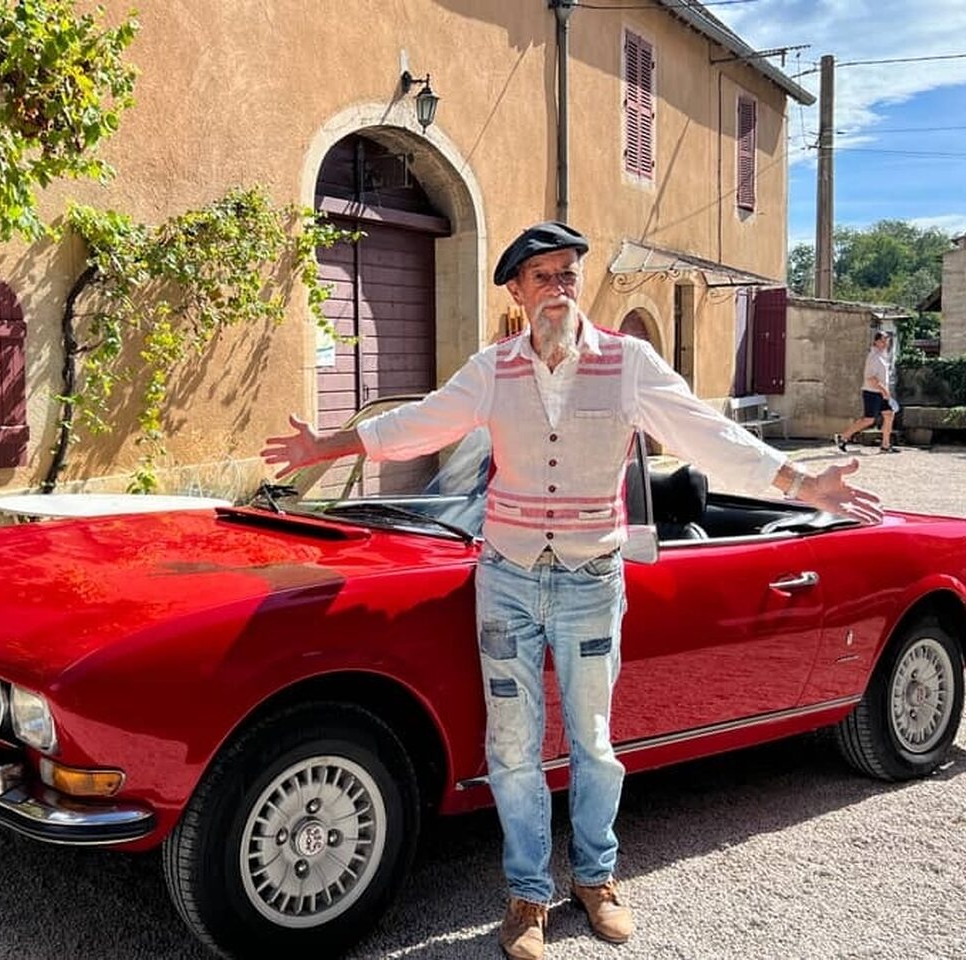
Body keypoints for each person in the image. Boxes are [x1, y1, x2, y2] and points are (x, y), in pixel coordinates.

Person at [260, 221, 883, 960]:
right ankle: (527, 895)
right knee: (513, 745)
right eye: (543, 277)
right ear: (517, 293)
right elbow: (420, 424)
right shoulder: (493, 369)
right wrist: (325, 446)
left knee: (592, 740)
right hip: (508, 579)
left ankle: (596, 879)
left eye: (568, 273)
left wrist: (800, 482)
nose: (559, 288)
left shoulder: (627, 363)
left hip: (591, 578)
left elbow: (705, 433)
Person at [835, 331, 898, 453]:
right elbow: (871, 378)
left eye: (887, 341)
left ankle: (885, 445)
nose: (885, 343)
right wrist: (884, 390)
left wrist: (885, 392)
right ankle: (843, 437)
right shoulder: (873, 358)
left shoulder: (882, 356)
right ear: (876, 342)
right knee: (869, 420)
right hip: (872, 393)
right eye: (883, 341)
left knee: (889, 414)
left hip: (881, 393)